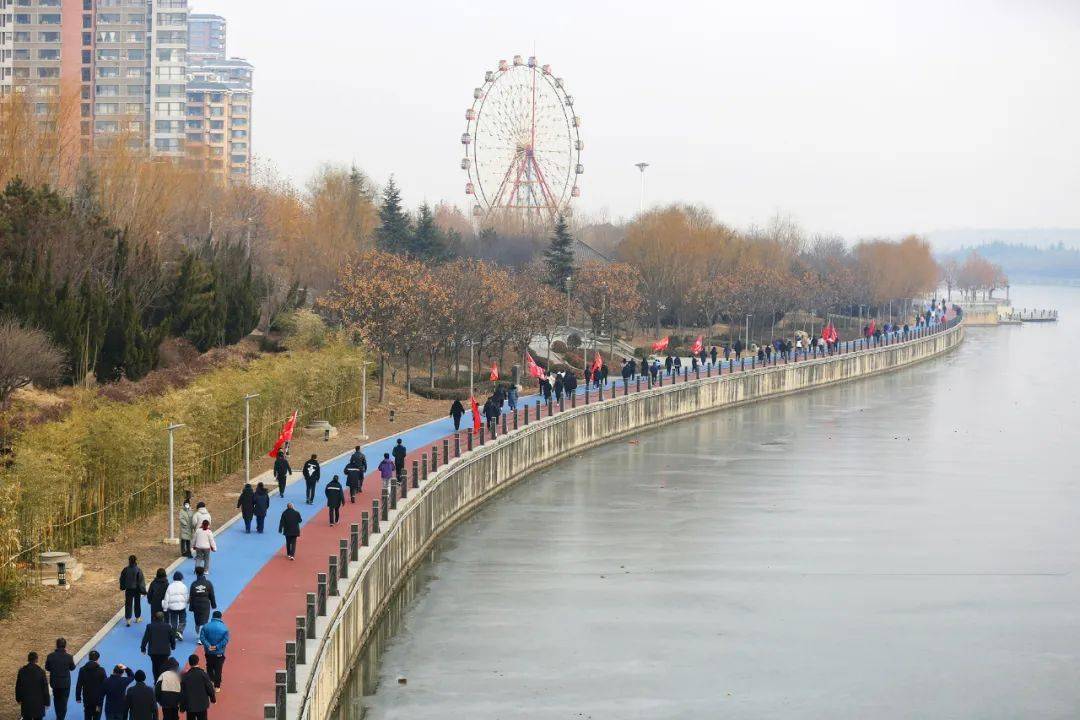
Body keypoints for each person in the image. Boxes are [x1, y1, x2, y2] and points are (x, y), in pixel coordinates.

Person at [140, 611, 176, 681]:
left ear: (154, 618)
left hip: (153, 652)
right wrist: (173, 646)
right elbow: (172, 637)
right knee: (164, 666)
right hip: (165, 652)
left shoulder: (150, 626)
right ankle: (163, 681)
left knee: (155, 666)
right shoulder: (168, 626)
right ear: (163, 618)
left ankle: (156, 681)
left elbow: (145, 638)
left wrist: (143, 648)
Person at [45, 638, 75, 720]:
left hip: (55, 683)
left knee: (56, 701)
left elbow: (47, 667)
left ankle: (58, 717)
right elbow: (72, 668)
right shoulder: (69, 657)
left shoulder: (50, 656)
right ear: (65, 645)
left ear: (56, 645)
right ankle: (61, 718)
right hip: (65, 684)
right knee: (64, 702)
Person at [199, 611, 229, 691]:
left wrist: (209, 646)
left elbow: (202, 638)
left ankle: (211, 680)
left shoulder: (206, 626)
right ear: (220, 617)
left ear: (212, 616)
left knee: (209, 666)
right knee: (218, 669)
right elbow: (225, 640)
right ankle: (217, 686)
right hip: (219, 652)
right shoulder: (224, 628)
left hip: (208, 652)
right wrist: (217, 647)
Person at [15, 651, 49, 720]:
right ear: (36, 659)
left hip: (26, 703)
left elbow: (18, 687)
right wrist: (47, 702)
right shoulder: (41, 672)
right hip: (39, 703)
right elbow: (45, 688)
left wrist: (18, 699)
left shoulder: (21, 671)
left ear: (28, 659)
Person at [179, 655, 215, 720]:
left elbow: (182, 694)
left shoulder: (185, 676)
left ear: (189, 663)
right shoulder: (203, 674)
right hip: (202, 705)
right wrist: (213, 699)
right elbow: (210, 688)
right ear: (198, 662)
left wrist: (182, 708)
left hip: (190, 706)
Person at [75, 649, 107, 720]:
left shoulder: (82, 669)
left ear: (89, 658)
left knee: (87, 715)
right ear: (97, 659)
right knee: (97, 716)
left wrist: (78, 697)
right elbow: (106, 684)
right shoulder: (101, 670)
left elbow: (79, 684)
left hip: (87, 699)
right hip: (98, 701)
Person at [189, 566, 217, 641]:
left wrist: (191, 607)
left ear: (196, 573)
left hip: (196, 605)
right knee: (204, 621)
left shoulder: (193, 584)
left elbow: (191, 596)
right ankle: (201, 637)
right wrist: (213, 605)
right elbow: (212, 595)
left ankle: (199, 635)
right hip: (205, 604)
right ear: (203, 573)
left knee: (197, 622)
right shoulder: (208, 583)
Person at [119, 555, 146, 627]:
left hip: (128, 590)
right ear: (136, 561)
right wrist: (143, 591)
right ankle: (137, 618)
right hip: (136, 590)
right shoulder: (138, 570)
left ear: (129, 561)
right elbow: (141, 581)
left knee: (128, 604)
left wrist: (122, 587)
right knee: (137, 603)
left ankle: (128, 620)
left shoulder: (125, 569)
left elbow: (122, 579)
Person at [163, 571, 189, 641]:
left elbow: (166, 598)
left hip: (172, 608)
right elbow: (186, 597)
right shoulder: (184, 586)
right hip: (182, 607)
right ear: (181, 578)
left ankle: (174, 633)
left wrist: (165, 608)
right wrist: (186, 604)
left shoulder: (170, 586)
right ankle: (179, 632)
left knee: (173, 621)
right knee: (182, 620)